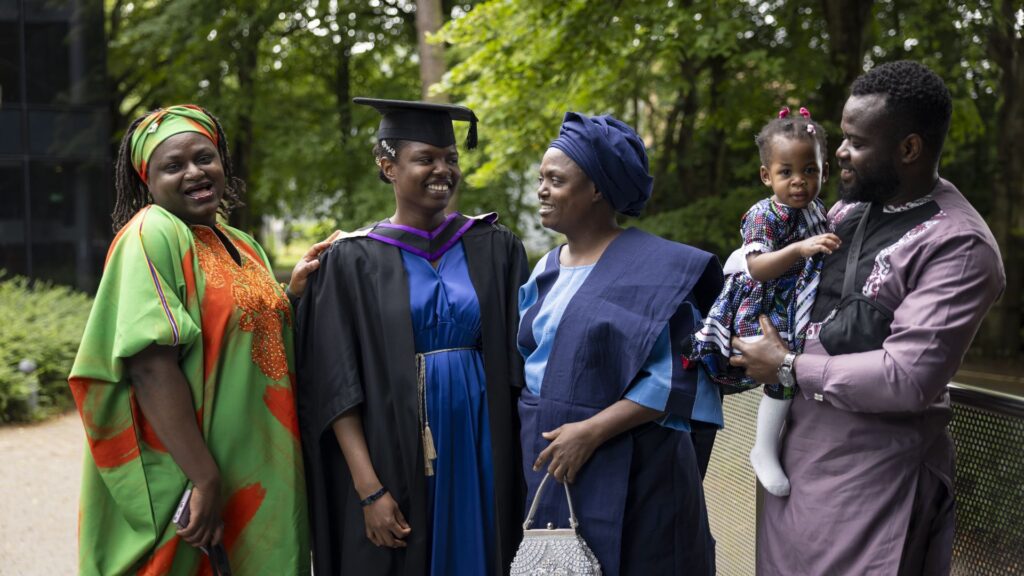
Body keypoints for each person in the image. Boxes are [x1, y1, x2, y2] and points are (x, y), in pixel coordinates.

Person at [731, 61, 1005, 575]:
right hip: (794, 470)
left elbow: (907, 378)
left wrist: (787, 366)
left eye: (855, 142)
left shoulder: (959, 245)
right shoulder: (847, 212)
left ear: (908, 149)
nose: (837, 153)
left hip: (874, 483)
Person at [69, 105, 324, 575]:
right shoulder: (152, 234)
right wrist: (204, 477)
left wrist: (291, 295)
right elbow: (149, 365)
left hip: (261, 467)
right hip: (199, 471)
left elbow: (242, 336)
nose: (195, 172)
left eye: (204, 158)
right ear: (148, 180)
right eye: (174, 165)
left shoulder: (240, 241)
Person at [296, 98, 528, 576]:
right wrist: (368, 489)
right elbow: (336, 385)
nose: (442, 169)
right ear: (389, 167)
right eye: (426, 158)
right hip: (391, 450)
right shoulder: (351, 261)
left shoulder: (494, 246)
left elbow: (522, 361)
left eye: (451, 158)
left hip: (484, 444)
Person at [518, 112, 722, 575]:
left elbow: (678, 377)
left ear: (596, 189)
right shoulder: (545, 269)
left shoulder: (659, 269)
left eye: (556, 179)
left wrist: (590, 432)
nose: (541, 190)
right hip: (553, 462)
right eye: (541, 179)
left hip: (639, 468)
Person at [689, 106, 840, 496]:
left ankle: (770, 444)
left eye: (810, 170)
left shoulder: (818, 211)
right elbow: (757, 268)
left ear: (825, 171)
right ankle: (763, 448)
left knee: (792, 369)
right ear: (766, 175)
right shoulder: (763, 215)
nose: (799, 182)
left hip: (796, 302)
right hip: (760, 304)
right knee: (780, 368)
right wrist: (801, 249)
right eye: (786, 172)